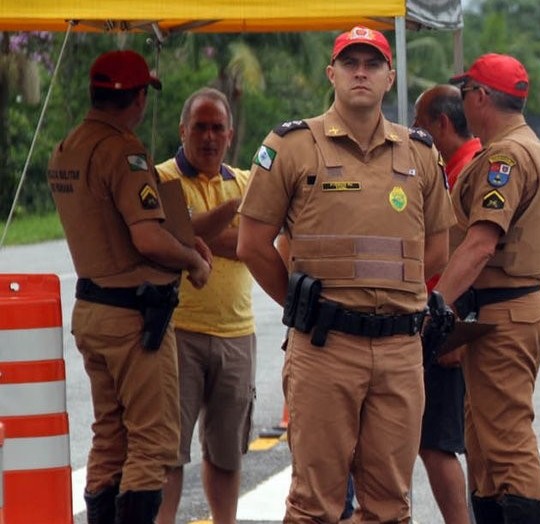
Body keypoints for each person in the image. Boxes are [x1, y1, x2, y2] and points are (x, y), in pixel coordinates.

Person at [236, 26, 454, 522]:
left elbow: (438, 251)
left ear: (389, 77)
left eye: (372, 63)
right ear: (331, 72)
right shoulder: (292, 145)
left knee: (390, 506)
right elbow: (251, 244)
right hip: (324, 348)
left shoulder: (419, 153)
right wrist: (301, 303)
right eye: (350, 62)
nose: (361, 71)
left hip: (399, 350)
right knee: (315, 505)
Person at [47, 50, 212, 523]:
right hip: (134, 320)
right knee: (151, 441)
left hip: (92, 310)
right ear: (137, 97)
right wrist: (191, 262)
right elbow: (146, 237)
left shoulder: (67, 148)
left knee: (110, 434)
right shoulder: (125, 152)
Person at [436, 53, 540, 524]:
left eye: (466, 93)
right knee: (484, 445)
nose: (463, 103)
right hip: (502, 310)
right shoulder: (530, 147)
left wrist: (435, 305)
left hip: (503, 313)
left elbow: (481, 244)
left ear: (482, 97)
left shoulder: (506, 157)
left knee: (507, 443)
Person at [154, 87, 255, 524]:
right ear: (183, 130)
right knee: (168, 452)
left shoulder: (247, 179)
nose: (209, 137)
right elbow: (176, 236)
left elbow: (256, 242)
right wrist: (232, 213)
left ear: (230, 135)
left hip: (237, 333)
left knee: (226, 452)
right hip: (179, 332)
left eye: (217, 128)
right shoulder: (161, 179)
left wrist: (198, 236)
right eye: (200, 127)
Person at [411, 84, 483, 524]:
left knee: (436, 441)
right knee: (464, 436)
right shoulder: (464, 166)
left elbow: (474, 252)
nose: (416, 135)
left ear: (441, 124)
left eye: (420, 125)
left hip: (448, 319)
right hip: (449, 315)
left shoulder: (464, 172)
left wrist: (450, 321)